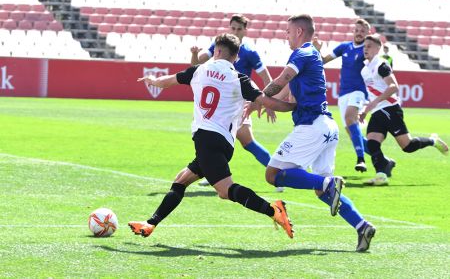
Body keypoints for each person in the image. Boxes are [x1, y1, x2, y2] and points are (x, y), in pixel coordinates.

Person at [129, 33, 296, 240]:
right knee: (181, 180)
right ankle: (150, 224)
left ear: (216, 51)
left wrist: (152, 79)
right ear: (236, 58)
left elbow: (167, 81)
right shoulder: (239, 78)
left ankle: (274, 210)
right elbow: (267, 101)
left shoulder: (200, 70)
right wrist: (294, 106)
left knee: (225, 191)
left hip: (206, 139)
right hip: (223, 142)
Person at [248, 14, 376, 252]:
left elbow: (280, 80)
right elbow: (285, 99)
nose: (286, 36)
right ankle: (361, 226)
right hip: (326, 128)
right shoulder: (310, 59)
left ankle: (328, 182)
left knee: (273, 174)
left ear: (298, 32)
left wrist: (256, 97)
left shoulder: (303, 53)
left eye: (288, 32)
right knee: (322, 192)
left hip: (313, 127)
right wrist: (262, 102)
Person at [191, 14, 284, 192]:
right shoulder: (219, 46)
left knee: (247, 142)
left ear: (245, 31)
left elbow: (265, 76)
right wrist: (195, 53)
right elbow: (197, 63)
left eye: (239, 29)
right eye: (232, 28)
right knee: (217, 137)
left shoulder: (249, 52)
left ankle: (277, 175)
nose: (235, 31)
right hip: (222, 103)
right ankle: (214, 174)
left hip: (238, 103)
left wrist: (270, 101)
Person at [359, 35, 448, 186]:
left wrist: (372, 104)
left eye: (369, 46)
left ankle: (433, 141)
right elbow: (373, 92)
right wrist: (366, 109)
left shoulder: (382, 65)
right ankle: (381, 175)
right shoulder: (364, 69)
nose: (365, 48)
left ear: (378, 48)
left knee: (407, 146)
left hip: (390, 109)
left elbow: (394, 87)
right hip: (377, 111)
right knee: (372, 143)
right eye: (364, 46)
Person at [313, 19, 372, 173]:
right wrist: (317, 49)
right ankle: (381, 158)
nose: (359, 33)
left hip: (359, 91)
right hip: (343, 93)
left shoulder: (366, 51)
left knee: (350, 118)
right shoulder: (345, 47)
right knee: (351, 131)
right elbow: (323, 61)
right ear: (353, 31)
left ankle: (361, 159)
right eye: (357, 30)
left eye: (362, 31)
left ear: (368, 34)